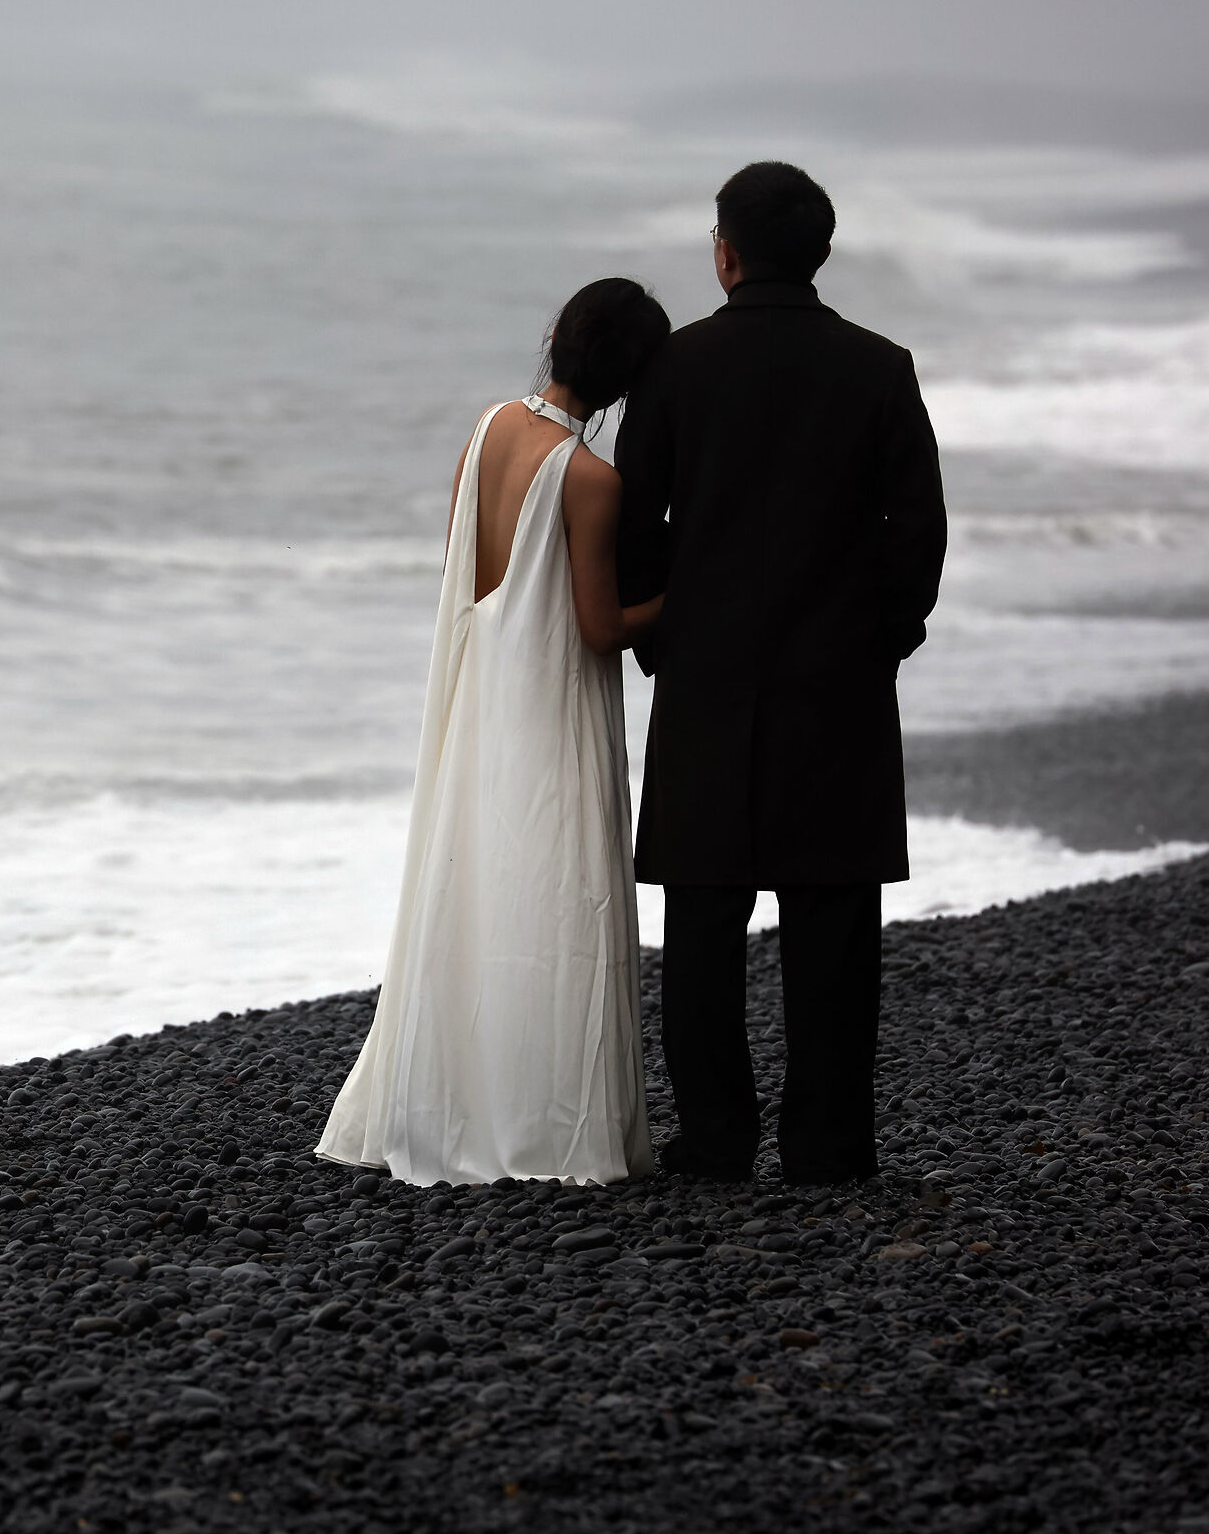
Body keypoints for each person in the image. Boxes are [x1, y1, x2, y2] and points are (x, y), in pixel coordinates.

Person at [615, 161, 948, 1185]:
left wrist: (660, 639)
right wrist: (884, 637)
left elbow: (633, 523)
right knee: (833, 921)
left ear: (725, 253)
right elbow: (918, 530)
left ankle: (716, 1141)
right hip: (839, 685)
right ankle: (829, 1146)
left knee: (703, 922)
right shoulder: (879, 366)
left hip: (706, 678)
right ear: (820, 251)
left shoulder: (675, 366)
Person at [319, 279, 670, 1186]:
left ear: (557, 337)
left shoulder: (487, 431)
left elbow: (463, 572)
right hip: (550, 705)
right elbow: (600, 628)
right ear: (631, 381)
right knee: (554, 896)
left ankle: (455, 1098)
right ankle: (540, 1119)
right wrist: (691, 593)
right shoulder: (591, 479)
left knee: (475, 884)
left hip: (480, 696)